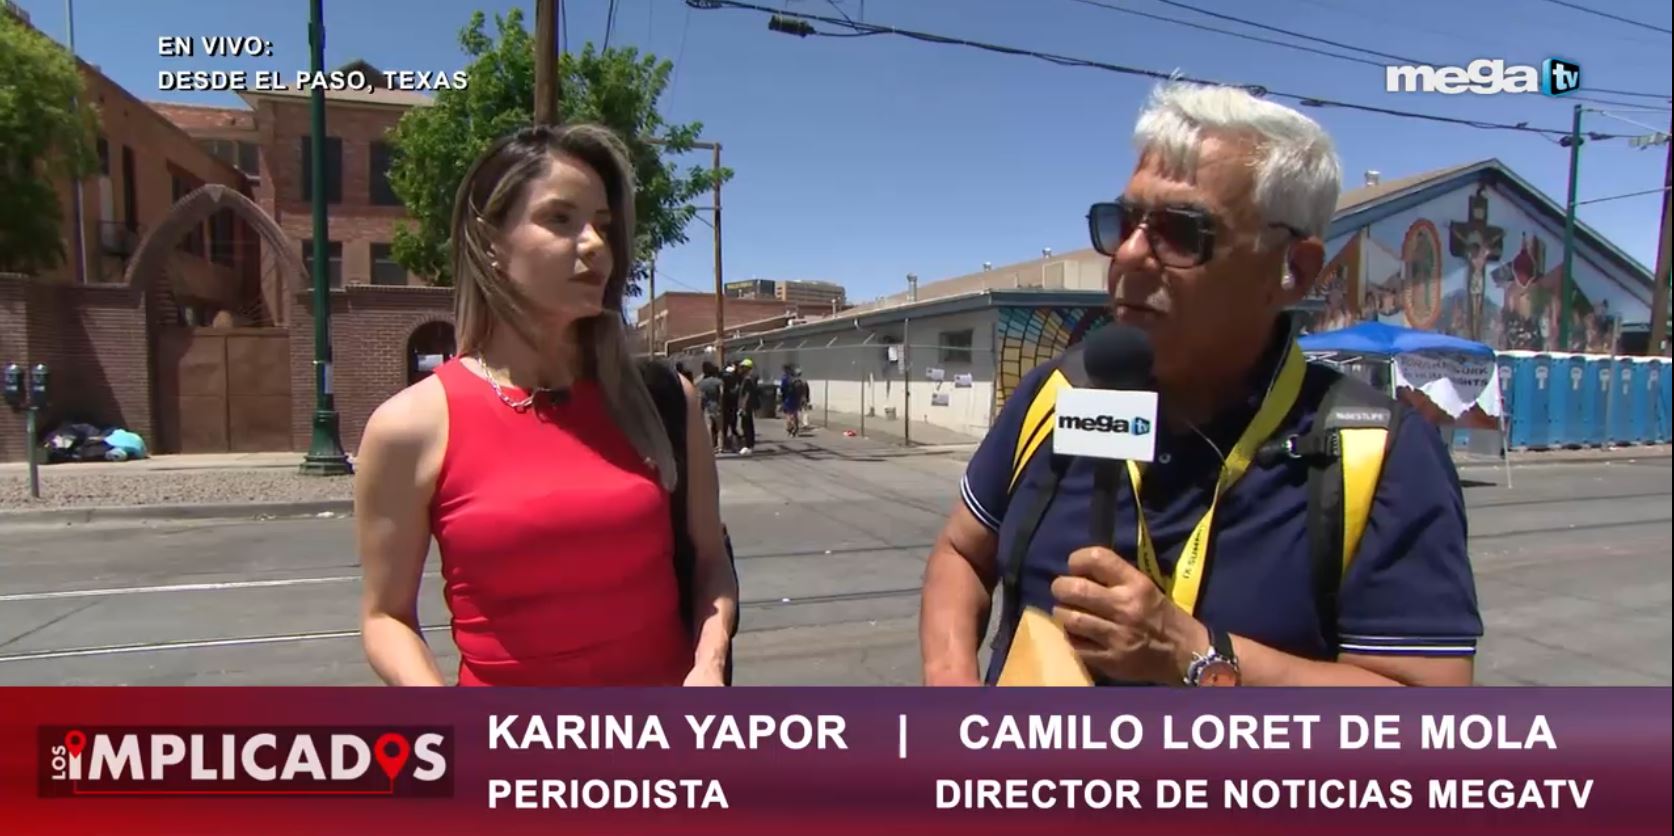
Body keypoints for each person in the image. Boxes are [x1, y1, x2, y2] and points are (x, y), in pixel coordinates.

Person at [919, 82, 1481, 688]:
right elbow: (961, 553)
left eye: (1180, 231)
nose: (1129, 255)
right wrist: (951, 685)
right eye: (1123, 222)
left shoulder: (1380, 456)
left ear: (1293, 270)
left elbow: (1425, 706)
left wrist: (1194, 655)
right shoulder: (1056, 394)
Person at [354, 123, 737, 687]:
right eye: (560, 218)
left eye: (604, 225)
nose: (595, 245)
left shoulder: (664, 402)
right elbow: (386, 617)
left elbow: (710, 561)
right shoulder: (409, 426)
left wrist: (709, 661)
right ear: (489, 239)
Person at [697, 361, 725, 451]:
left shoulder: (702, 383)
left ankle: (710, 446)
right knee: (720, 428)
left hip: (707, 407)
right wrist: (721, 404)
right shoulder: (719, 381)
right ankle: (720, 446)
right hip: (717, 406)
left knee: (709, 427)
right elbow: (721, 394)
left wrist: (700, 408)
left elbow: (701, 396)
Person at [737, 358, 759, 454]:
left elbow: (747, 394)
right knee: (747, 424)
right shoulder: (749, 378)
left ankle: (748, 445)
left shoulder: (748, 379)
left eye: (743, 367)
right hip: (746, 405)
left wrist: (743, 407)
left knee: (746, 425)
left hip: (746, 406)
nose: (741, 369)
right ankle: (749, 445)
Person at [779, 364, 802, 437]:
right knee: (795, 414)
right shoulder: (795, 378)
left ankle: (790, 428)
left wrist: (781, 399)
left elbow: (782, 389)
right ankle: (796, 428)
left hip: (788, 398)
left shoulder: (785, 379)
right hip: (796, 398)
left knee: (788, 414)